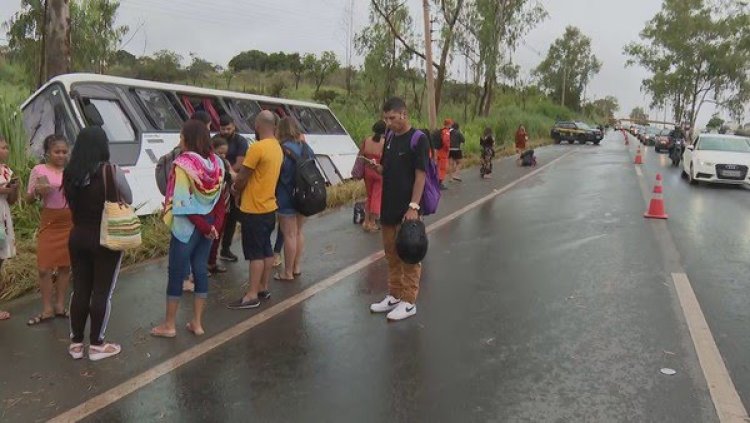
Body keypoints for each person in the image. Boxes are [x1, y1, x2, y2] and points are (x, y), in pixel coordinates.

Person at [63, 127, 133, 361]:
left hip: (77, 236)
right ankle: (97, 345)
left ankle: (75, 344)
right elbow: (128, 197)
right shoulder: (111, 171)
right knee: (102, 291)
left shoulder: (69, 173)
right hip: (106, 239)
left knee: (80, 289)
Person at [151, 120, 225, 338]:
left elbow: (183, 203)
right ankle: (197, 323)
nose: (179, 140)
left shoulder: (183, 164)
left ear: (188, 139)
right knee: (200, 269)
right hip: (209, 225)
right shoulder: (217, 163)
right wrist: (214, 227)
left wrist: (202, 226)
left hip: (187, 227)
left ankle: (170, 325)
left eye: (182, 137)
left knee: (176, 272)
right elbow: (221, 198)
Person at [366, 97, 428, 322]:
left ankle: (409, 301)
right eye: (385, 118)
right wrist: (378, 167)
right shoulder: (390, 137)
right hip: (388, 204)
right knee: (391, 253)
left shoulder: (418, 139)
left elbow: (421, 175)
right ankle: (394, 295)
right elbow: (389, 168)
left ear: (404, 114)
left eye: (392, 118)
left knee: (409, 255)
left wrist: (414, 206)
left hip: (407, 209)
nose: (388, 122)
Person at [227, 111, 283, 309]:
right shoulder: (277, 147)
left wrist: (234, 189)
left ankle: (251, 296)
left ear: (258, 125)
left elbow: (242, 176)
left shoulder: (257, 148)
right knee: (266, 249)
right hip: (269, 207)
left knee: (255, 254)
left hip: (254, 208)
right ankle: (263, 287)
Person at [25, 134, 72, 326]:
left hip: (69, 219)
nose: (61, 155)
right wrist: (38, 192)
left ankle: (60, 306)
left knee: (65, 266)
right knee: (44, 267)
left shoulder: (71, 171)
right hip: (50, 221)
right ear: (47, 153)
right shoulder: (39, 170)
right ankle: (46, 308)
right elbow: (28, 199)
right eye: (57, 152)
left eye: (64, 152)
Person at [273, 117, 313, 281]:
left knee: (288, 234)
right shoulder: (305, 147)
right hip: (304, 195)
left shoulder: (280, 149)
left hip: (286, 195)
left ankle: (287, 272)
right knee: (298, 232)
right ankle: (296, 266)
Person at [219, 114, 249, 263]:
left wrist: (225, 170)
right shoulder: (217, 139)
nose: (225, 131)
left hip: (233, 183)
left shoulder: (240, 142)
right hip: (218, 184)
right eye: (222, 129)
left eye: (228, 128)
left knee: (232, 218)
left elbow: (240, 164)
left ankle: (225, 248)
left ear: (234, 127)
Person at [207, 135, 233, 275]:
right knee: (211, 234)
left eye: (224, 153)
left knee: (219, 235)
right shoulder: (209, 163)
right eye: (219, 153)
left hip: (225, 203)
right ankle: (205, 263)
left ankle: (212, 263)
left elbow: (232, 178)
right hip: (214, 204)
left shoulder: (226, 163)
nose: (222, 156)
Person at [0, 135, 19, 321]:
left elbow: (11, 201)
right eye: (1, 147)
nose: (4, 151)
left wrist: (14, 190)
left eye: (6, 147)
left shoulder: (6, 171)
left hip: (3, 216)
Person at [360, 120, 385, 232]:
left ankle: (366, 222)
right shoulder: (384, 142)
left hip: (367, 171)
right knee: (376, 197)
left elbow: (361, 155)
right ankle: (373, 222)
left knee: (369, 196)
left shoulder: (366, 140)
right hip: (378, 172)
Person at [438, 119, 452, 189]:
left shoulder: (441, 130)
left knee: (439, 167)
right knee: (443, 168)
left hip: (439, 151)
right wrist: (447, 148)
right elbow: (446, 141)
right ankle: (439, 183)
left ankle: (438, 182)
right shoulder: (446, 132)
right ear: (449, 124)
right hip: (443, 152)